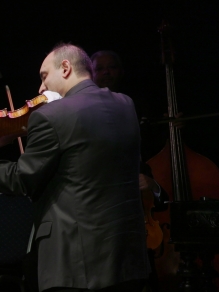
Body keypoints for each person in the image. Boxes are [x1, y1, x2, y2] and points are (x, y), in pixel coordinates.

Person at [0, 43, 150, 291]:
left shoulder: (52, 115)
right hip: (128, 259)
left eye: (44, 77)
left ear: (65, 68)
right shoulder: (126, 105)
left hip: (75, 263)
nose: (41, 88)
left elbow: (20, 180)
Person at [91, 50, 170, 292]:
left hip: (135, 245)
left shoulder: (135, 109)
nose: (106, 72)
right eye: (100, 68)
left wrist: (153, 185)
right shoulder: (83, 116)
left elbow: (162, 200)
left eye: (112, 67)